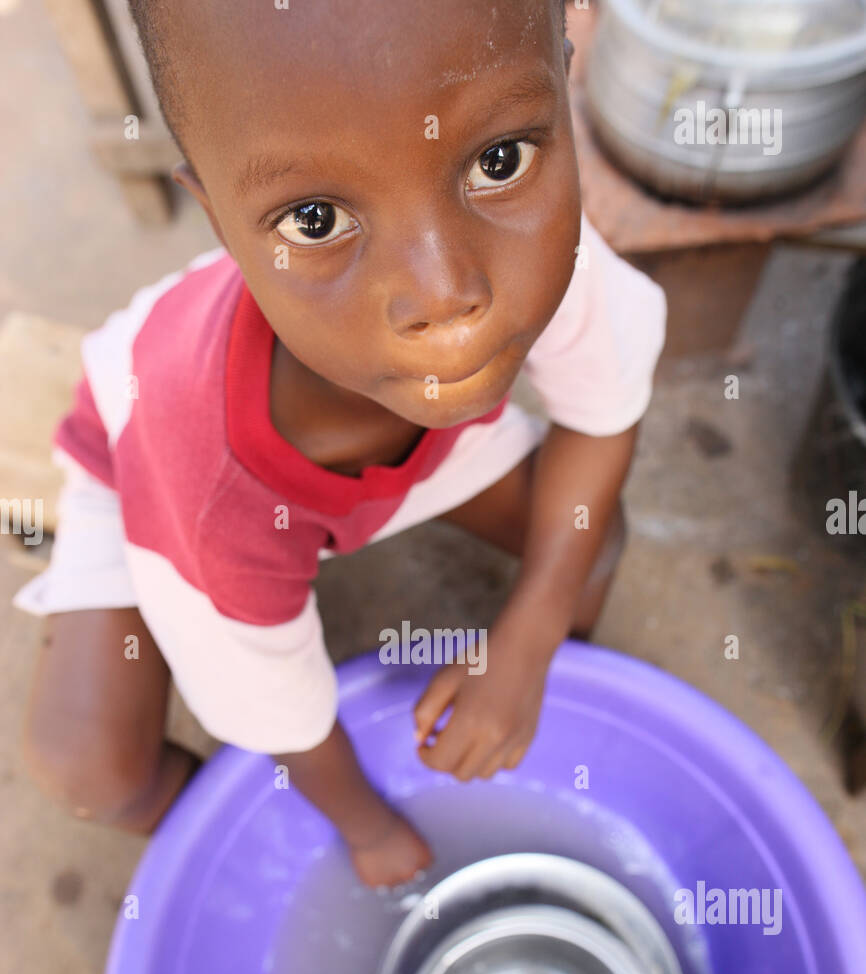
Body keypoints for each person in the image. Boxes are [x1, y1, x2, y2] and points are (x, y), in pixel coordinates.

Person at [15, 0, 666, 886]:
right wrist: (368, 833)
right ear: (215, 217)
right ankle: (248, 848)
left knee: (591, 542)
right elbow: (276, 707)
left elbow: (602, 410)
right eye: (314, 220)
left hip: (413, 434)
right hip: (149, 461)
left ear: (562, 72)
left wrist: (527, 642)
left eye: (496, 159)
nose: (444, 292)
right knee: (90, 770)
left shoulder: (538, 252)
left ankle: (559, 695)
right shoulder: (202, 478)